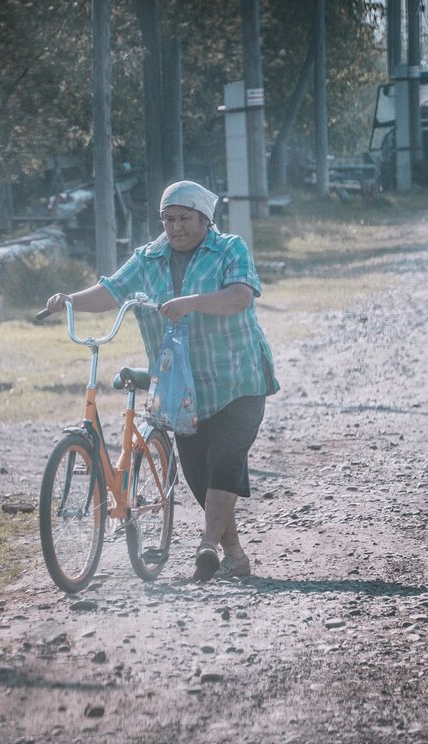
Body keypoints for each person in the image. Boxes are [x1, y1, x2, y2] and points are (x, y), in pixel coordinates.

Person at [44, 180, 279, 581]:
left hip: (238, 379)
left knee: (224, 460)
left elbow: (240, 296)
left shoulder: (229, 249)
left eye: (185, 218)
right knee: (199, 476)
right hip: (182, 390)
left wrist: (193, 303)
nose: (176, 227)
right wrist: (70, 300)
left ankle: (206, 546)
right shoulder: (148, 258)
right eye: (168, 219)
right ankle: (234, 555)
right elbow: (110, 291)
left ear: (205, 219)